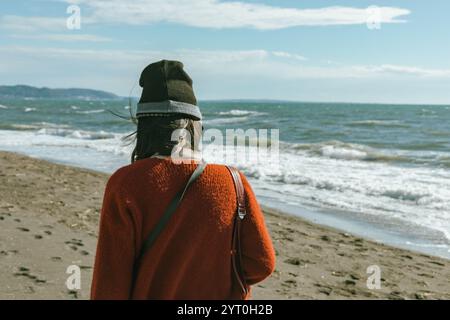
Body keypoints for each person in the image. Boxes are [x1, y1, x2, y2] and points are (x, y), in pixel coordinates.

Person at [90, 60, 275, 300]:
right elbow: (261, 263)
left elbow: (110, 283)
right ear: (195, 126)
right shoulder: (232, 181)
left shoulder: (125, 184)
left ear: (144, 127)